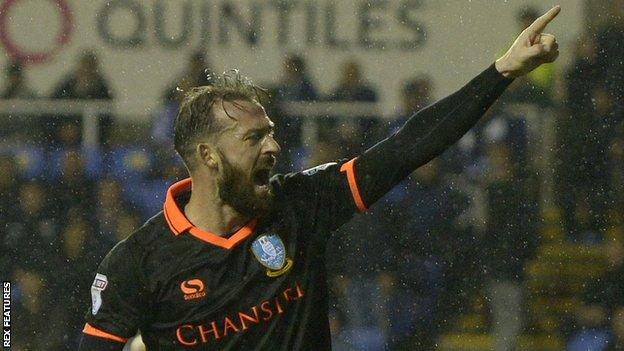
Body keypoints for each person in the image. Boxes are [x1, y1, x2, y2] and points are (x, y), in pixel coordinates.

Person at [79, 6, 561, 349]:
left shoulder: (302, 204)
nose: (274, 146)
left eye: (270, 133)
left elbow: (408, 148)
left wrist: (503, 72)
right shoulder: (137, 263)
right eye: (253, 138)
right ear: (208, 156)